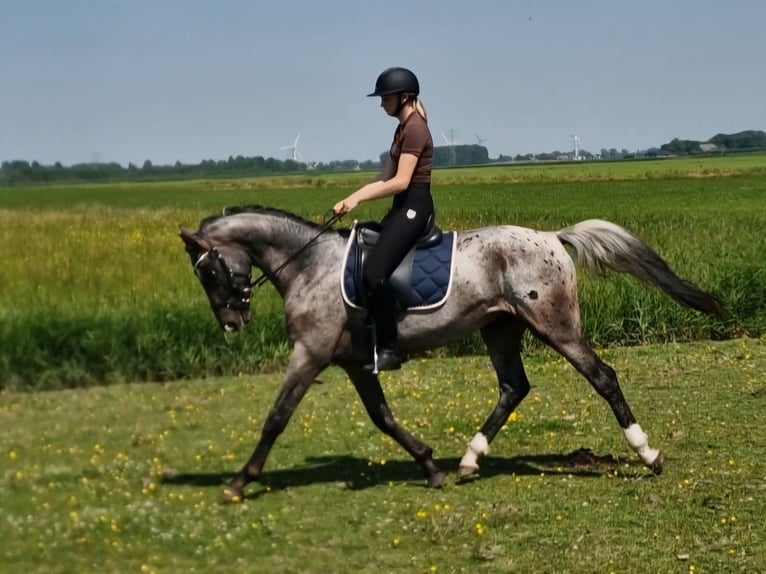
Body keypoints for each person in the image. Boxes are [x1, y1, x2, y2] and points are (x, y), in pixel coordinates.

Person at [333, 67, 435, 372]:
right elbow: (385, 175)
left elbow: (402, 181)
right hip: (401, 207)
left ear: (403, 97)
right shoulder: (401, 128)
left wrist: (359, 197)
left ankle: (389, 349)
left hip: (415, 207)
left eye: (385, 98)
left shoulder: (416, 129)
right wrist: (352, 197)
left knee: (374, 272)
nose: (381, 104)